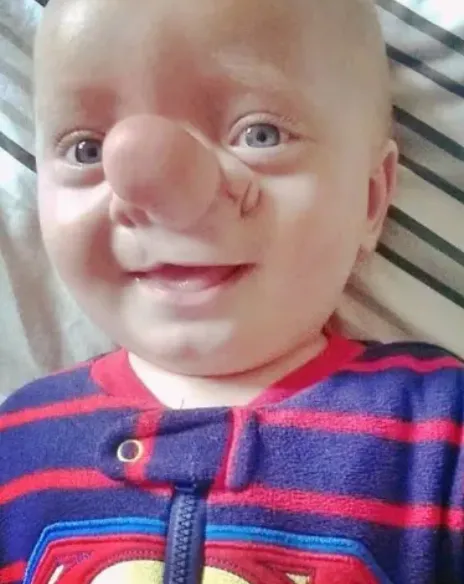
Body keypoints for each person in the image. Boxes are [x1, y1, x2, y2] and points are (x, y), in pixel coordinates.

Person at [0, 0, 462, 582]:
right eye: (87, 150)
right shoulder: (17, 440)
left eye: (259, 134)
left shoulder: (438, 431)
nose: (164, 195)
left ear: (370, 200)